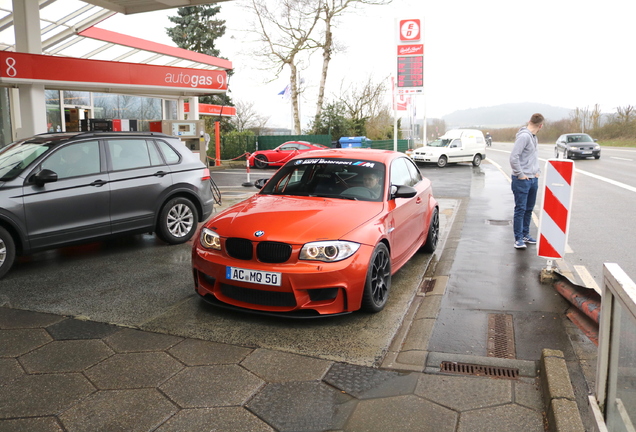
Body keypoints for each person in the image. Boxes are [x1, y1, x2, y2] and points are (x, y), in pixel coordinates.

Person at [509, 113, 544, 249]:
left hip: (533, 178)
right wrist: (521, 174)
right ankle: (518, 239)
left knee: (529, 209)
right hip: (522, 180)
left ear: (530, 121)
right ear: (541, 125)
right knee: (520, 209)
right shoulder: (524, 136)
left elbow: (533, 157)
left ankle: (525, 234)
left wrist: (537, 172)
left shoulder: (534, 137)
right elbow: (513, 157)